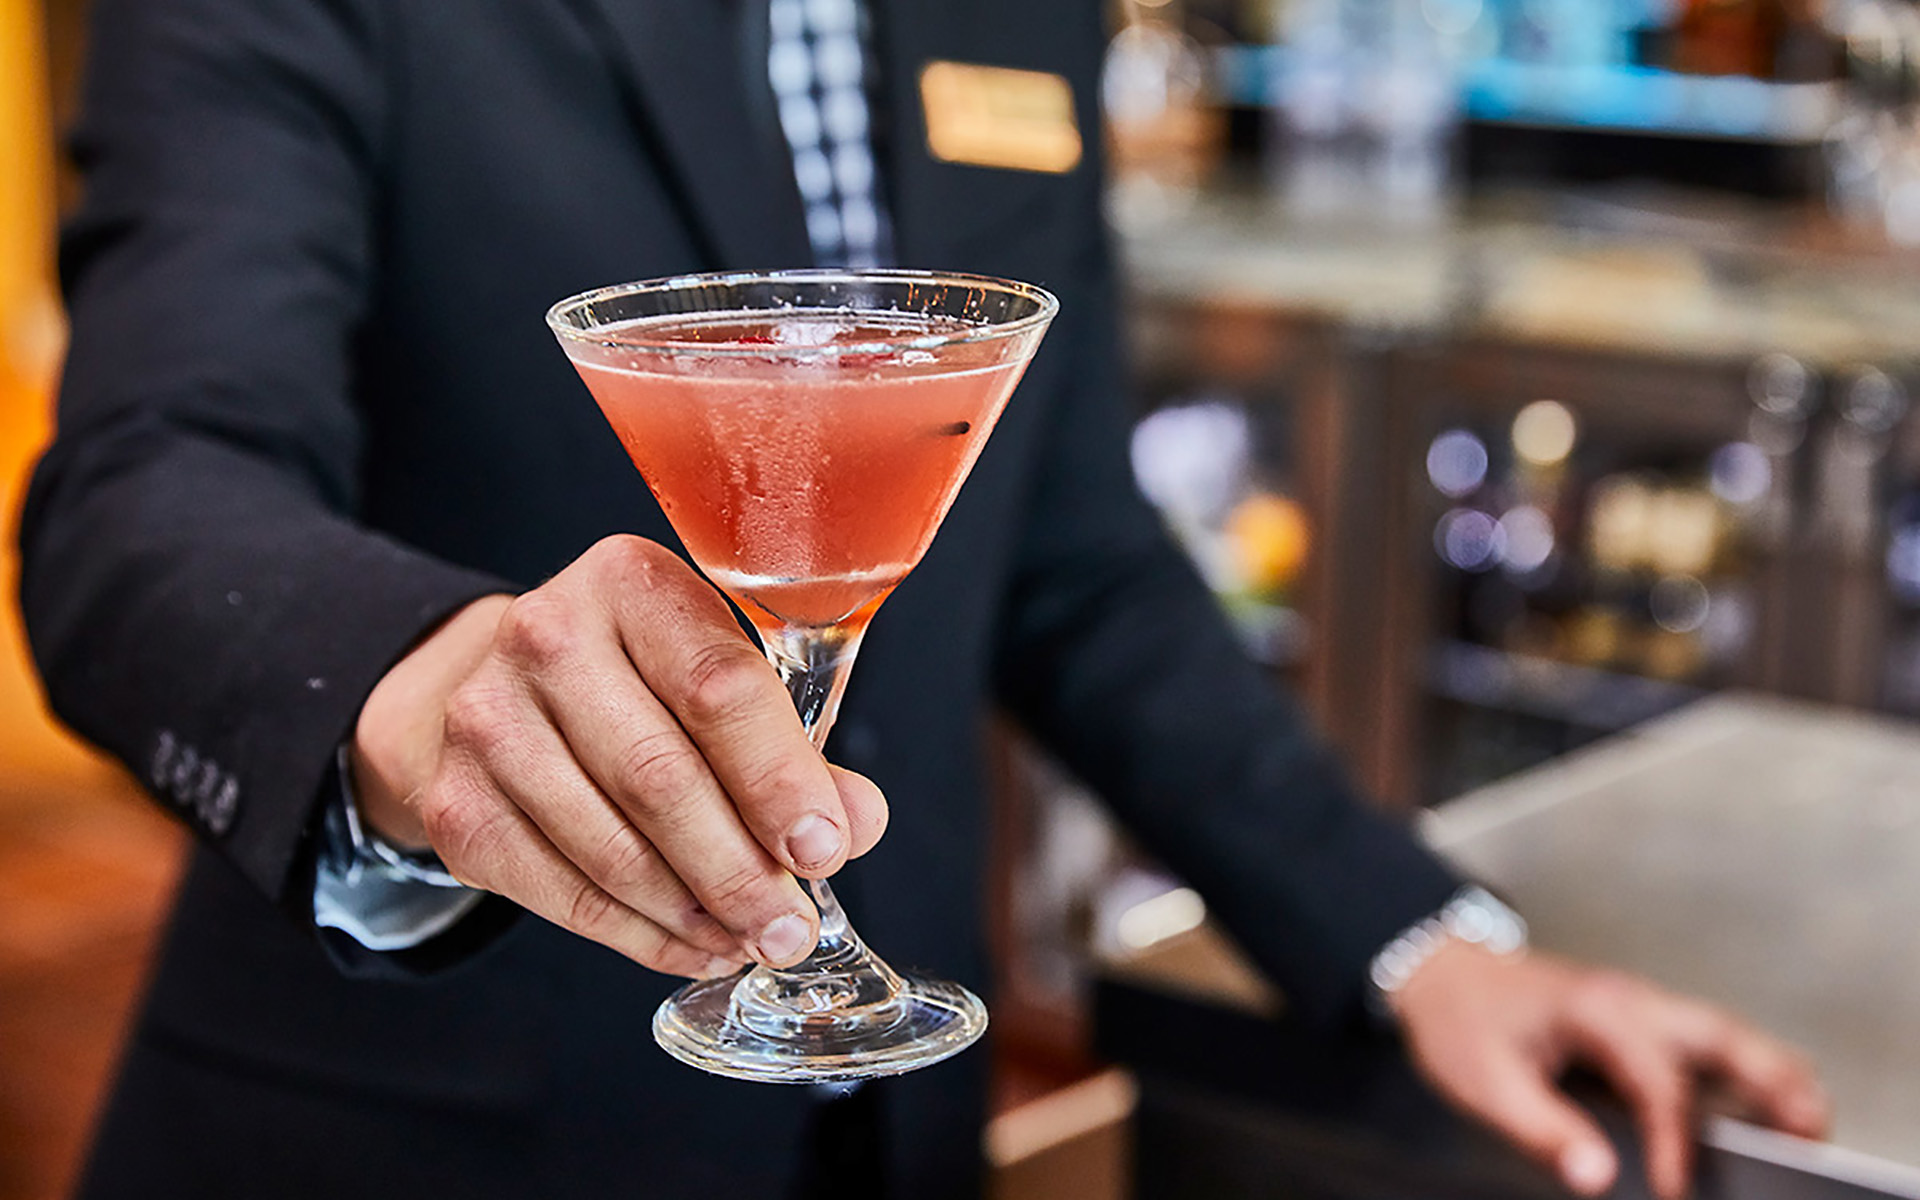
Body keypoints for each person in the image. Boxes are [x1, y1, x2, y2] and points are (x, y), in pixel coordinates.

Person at [20, 0, 1826, 1196]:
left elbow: (1074, 558)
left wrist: (1415, 940)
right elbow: (138, 488)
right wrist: (428, 686)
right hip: (422, 1132)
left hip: (905, 1128)